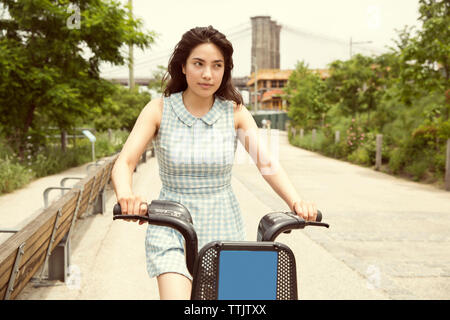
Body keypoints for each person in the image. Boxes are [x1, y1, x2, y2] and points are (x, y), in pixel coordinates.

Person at [110, 25, 318, 300]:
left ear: (225, 70)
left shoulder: (234, 112)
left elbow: (267, 164)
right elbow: (125, 161)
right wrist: (126, 195)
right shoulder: (159, 109)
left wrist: (296, 202)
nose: (208, 74)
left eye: (217, 66)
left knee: (240, 303)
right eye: (198, 64)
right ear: (183, 66)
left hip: (223, 222)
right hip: (172, 224)